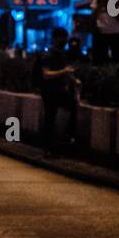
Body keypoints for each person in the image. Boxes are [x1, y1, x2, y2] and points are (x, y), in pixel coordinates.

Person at [36, 27, 79, 158]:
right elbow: (46, 74)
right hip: (49, 92)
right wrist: (65, 73)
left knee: (72, 107)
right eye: (63, 38)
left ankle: (65, 138)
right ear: (55, 39)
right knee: (50, 118)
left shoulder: (61, 54)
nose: (65, 41)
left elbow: (63, 70)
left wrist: (73, 79)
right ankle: (49, 149)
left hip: (58, 90)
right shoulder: (48, 55)